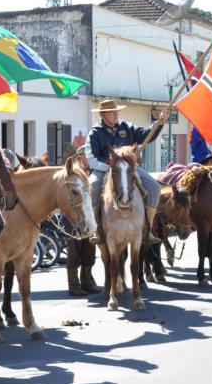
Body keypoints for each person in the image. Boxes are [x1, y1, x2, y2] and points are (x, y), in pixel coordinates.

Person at [87, 99, 166, 245]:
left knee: (154, 187)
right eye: (112, 112)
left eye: (116, 111)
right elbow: (91, 157)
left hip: (129, 168)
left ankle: (147, 229)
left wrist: (159, 122)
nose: (116, 114)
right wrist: (110, 167)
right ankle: (96, 229)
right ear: (103, 114)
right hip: (104, 169)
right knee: (92, 187)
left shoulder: (127, 127)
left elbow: (146, 134)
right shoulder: (95, 133)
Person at [64, 145, 102, 296]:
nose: (90, 158)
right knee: (74, 250)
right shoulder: (73, 173)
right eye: (87, 155)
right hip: (72, 216)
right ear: (80, 156)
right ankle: (73, 285)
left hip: (88, 216)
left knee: (89, 248)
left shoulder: (91, 173)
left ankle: (87, 281)